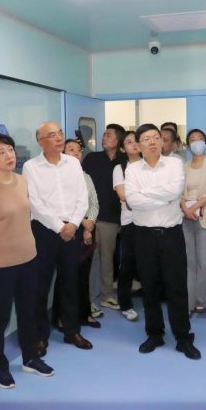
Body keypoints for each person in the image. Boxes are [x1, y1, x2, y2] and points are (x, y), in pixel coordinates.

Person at [0, 133, 55, 390]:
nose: (9, 155)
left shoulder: (22, 181)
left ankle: (30, 357)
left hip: (29, 258)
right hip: (0, 266)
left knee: (28, 311)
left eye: (10, 149)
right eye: (1, 152)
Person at [125, 123, 201, 360]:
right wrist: (162, 198)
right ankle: (154, 334)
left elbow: (174, 191)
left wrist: (147, 194)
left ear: (161, 141)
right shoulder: (132, 169)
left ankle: (183, 337)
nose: (152, 142)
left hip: (171, 235)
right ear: (138, 145)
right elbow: (133, 201)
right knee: (149, 288)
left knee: (177, 287)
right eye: (146, 139)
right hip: (143, 236)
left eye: (156, 137)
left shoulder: (175, 163)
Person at [22, 121, 93, 353]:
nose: (59, 137)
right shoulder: (31, 167)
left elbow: (82, 197)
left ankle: (72, 331)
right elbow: (35, 202)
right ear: (41, 141)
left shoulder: (73, 163)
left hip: (72, 228)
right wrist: (59, 227)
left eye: (60, 133)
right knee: (40, 285)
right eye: (52, 135)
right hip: (44, 231)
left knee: (70, 282)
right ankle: (39, 336)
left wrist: (73, 224)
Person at [52, 138, 102, 330]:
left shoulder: (86, 176)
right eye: (70, 149)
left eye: (78, 150)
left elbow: (94, 202)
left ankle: (84, 313)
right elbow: (65, 205)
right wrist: (82, 223)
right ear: (63, 153)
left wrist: (90, 225)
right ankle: (61, 317)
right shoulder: (60, 176)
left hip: (87, 227)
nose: (76, 153)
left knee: (83, 274)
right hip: (70, 229)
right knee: (66, 276)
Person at [82, 123, 123, 314]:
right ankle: (89, 300)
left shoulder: (123, 162)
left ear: (118, 139)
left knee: (108, 259)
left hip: (111, 218)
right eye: (104, 134)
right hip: (90, 217)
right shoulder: (92, 158)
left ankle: (107, 296)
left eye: (108, 135)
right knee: (90, 259)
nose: (104, 137)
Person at [180, 129, 206, 314]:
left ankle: (201, 301)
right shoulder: (184, 166)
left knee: (203, 262)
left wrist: (194, 207)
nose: (197, 142)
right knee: (188, 262)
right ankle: (188, 303)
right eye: (193, 139)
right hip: (185, 217)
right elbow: (178, 192)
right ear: (188, 145)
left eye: (200, 139)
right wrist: (185, 208)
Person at [112, 130, 142, 322]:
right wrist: (147, 197)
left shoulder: (149, 165)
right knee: (128, 264)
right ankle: (125, 304)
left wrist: (138, 197)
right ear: (122, 148)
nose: (134, 144)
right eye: (129, 142)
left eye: (136, 140)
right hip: (130, 222)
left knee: (149, 263)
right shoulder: (119, 168)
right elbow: (123, 196)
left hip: (150, 221)